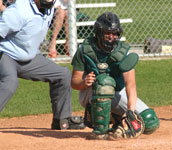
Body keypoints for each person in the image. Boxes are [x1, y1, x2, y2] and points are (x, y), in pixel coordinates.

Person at [71, 12, 159, 139]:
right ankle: (100, 132)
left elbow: (130, 85)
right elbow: (74, 82)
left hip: (118, 92)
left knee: (150, 122)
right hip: (90, 93)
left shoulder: (124, 53)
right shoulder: (85, 50)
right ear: (98, 33)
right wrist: (84, 82)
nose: (111, 37)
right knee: (104, 83)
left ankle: (117, 121)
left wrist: (130, 111)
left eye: (114, 33)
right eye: (107, 33)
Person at [0, 0, 85, 130]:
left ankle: (61, 120)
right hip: (7, 55)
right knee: (10, 82)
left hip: (30, 57)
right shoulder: (18, 11)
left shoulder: (50, 8)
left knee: (62, 75)